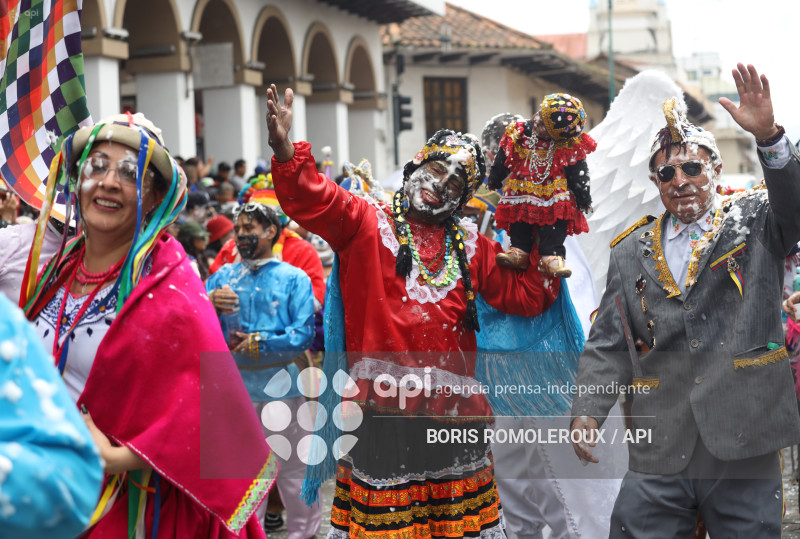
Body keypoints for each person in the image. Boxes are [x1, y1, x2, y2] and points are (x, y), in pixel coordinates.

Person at [266, 84, 559, 539]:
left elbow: (525, 297)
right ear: (415, 167)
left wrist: (544, 234)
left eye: (455, 182)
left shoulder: (472, 246)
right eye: (437, 169)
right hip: (380, 416)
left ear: (462, 199)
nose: (440, 184)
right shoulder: (366, 220)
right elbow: (312, 198)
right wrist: (286, 150)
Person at [570, 64, 800, 537]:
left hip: (744, 434)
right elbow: (610, 343)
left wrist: (770, 138)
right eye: (667, 172)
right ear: (656, 184)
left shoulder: (755, 217)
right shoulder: (630, 249)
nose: (680, 179)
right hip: (661, 441)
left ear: (714, 169)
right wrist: (587, 411)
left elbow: (794, 207)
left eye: (692, 167)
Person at [22, 112, 276, 537]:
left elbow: (211, 413)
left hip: (130, 506)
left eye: (129, 173)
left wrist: (117, 459)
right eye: (97, 166)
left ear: (155, 195)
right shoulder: (56, 271)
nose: (107, 182)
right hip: (44, 492)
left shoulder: (171, 285)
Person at [206, 202, 318, 539]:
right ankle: (245, 532)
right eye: (238, 229)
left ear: (271, 231)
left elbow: (302, 335)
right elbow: (193, 319)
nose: (240, 235)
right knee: (242, 471)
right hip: (235, 392)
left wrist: (258, 342)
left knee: (294, 469)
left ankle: (304, 532)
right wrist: (208, 301)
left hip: (283, 388)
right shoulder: (221, 277)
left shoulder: (294, 279)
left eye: (249, 228)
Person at [0, 293, 103, 538]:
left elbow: (213, 452)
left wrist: (126, 457)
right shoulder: (55, 271)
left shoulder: (179, 288)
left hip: (125, 497)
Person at [487, 95, 595, 277]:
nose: (537, 123)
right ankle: (519, 251)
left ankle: (551, 256)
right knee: (520, 221)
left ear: (558, 136)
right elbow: (505, 156)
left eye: (545, 126)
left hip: (554, 194)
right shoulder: (519, 132)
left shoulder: (567, 144)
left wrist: (583, 196)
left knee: (555, 225)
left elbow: (578, 171)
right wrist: (496, 178)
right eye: (539, 116)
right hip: (522, 189)